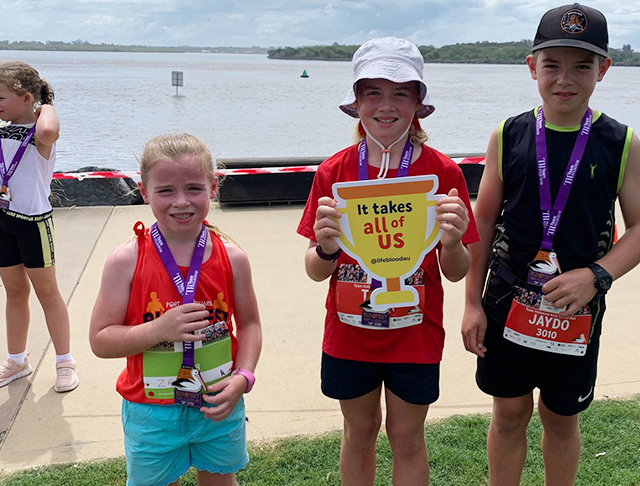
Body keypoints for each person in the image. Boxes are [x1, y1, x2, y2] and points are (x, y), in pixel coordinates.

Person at [461, 4, 640, 485]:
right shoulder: (508, 135)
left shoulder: (620, 141)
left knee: (560, 418)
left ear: (603, 70)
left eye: (581, 66)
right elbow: (482, 222)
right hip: (507, 301)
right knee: (507, 414)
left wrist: (597, 275)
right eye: (551, 65)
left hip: (576, 309)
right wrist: (471, 303)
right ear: (532, 67)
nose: (564, 79)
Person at [297, 37, 480, 486]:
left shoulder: (444, 172)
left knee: (408, 438)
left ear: (419, 102)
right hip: (348, 333)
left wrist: (454, 242)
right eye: (373, 92)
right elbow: (314, 269)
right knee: (358, 433)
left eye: (401, 92)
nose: (386, 105)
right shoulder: (333, 172)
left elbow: (456, 271)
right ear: (356, 102)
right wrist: (325, 247)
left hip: (415, 333)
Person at [89, 134, 262, 486]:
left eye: (194, 188)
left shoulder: (233, 258)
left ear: (213, 187)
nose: (181, 202)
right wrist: (158, 330)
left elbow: (250, 326)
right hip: (152, 415)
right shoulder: (126, 261)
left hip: (218, 405)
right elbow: (101, 340)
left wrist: (244, 377)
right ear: (144, 190)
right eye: (166, 190)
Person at [0, 61, 78, 392]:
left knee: (48, 293)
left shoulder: (39, 133)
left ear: (26, 97)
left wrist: (44, 102)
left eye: (1, 97)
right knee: (15, 292)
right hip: (3, 221)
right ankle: (17, 360)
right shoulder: (3, 131)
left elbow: (48, 130)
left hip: (33, 223)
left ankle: (65, 361)